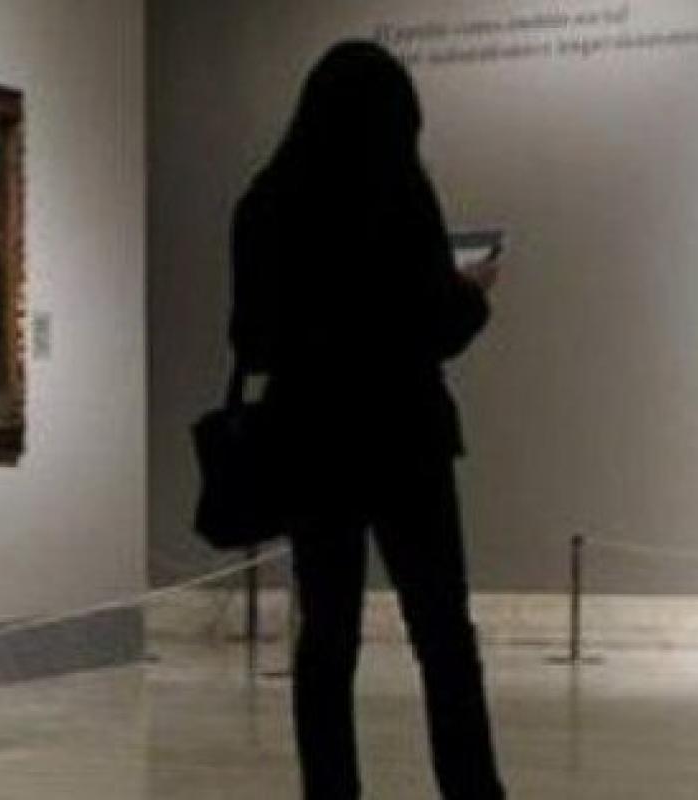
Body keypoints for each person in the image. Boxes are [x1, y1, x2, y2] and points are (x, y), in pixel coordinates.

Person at [229, 41, 507, 799]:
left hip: (311, 442)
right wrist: (474, 292)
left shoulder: (264, 203)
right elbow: (437, 325)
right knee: (443, 636)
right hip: (403, 436)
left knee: (326, 639)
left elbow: (251, 340)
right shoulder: (399, 194)